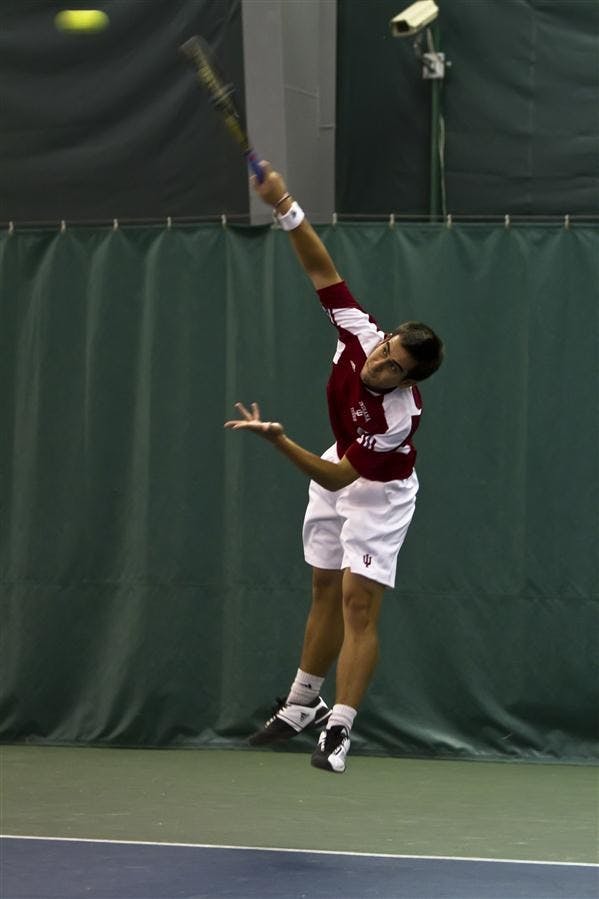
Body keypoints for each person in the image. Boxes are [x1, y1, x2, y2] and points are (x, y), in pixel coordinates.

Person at [224, 162, 444, 773]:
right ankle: (300, 704)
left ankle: (340, 728)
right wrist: (283, 203)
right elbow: (320, 267)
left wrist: (277, 440)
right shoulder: (358, 334)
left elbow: (342, 479)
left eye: (395, 366)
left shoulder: (399, 416)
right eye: (385, 350)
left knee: (357, 603)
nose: (380, 364)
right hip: (335, 456)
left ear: (410, 380)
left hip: (377, 487)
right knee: (321, 582)